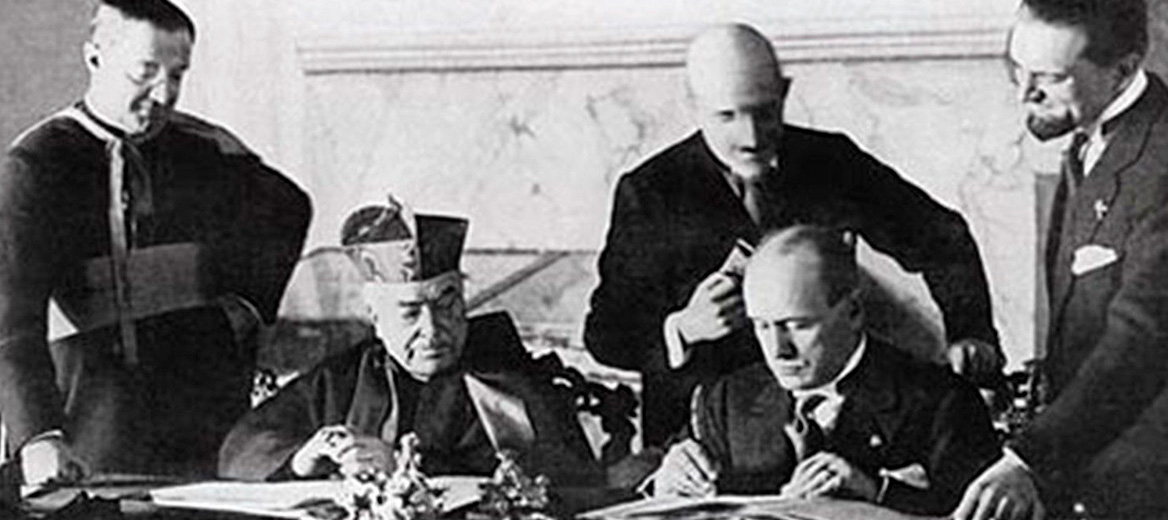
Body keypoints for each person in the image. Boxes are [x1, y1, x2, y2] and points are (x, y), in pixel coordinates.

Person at [584, 23, 1004, 446]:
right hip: (702, 441)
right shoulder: (650, 192)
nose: (750, 137)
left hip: (835, 430)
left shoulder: (831, 162)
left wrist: (970, 332)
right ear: (693, 105)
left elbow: (942, 237)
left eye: (765, 112)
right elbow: (605, 335)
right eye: (727, 116)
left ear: (784, 94)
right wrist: (683, 329)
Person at [0, 0, 311, 483]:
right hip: (91, 415)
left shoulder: (208, 151)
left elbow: (289, 207)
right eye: (144, 72)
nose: (164, 94)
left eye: (177, 75)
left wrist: (245, 311)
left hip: (204, 411)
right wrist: (39, 436)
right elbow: (11, 323)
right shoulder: (37, 165)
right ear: (95, 57)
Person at [952, 0, 1167, 520]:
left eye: (1050, 77)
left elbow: (1139, 342)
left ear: (1122, 71)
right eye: (1017, 69)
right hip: (1093, 466)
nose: (1025, 93)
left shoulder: (1163, 161)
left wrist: (1028, 460)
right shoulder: (1092, 140)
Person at [219, 201, 602, 486]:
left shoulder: (510, 376)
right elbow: (240, 449)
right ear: (375, 317)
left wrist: (407, 467)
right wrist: (301, 461)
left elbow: (567, 478)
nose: (432, 328)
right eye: (409, 312)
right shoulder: (343, 377)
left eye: (446, 304)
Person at [649, 226, 1000, 515]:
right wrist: (666, 481)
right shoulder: (728, 399)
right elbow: (654, 471)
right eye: (762, 326)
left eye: (798, 325)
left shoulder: (942, 401)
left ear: (853, 312)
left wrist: (878, 492)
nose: (779, 351)